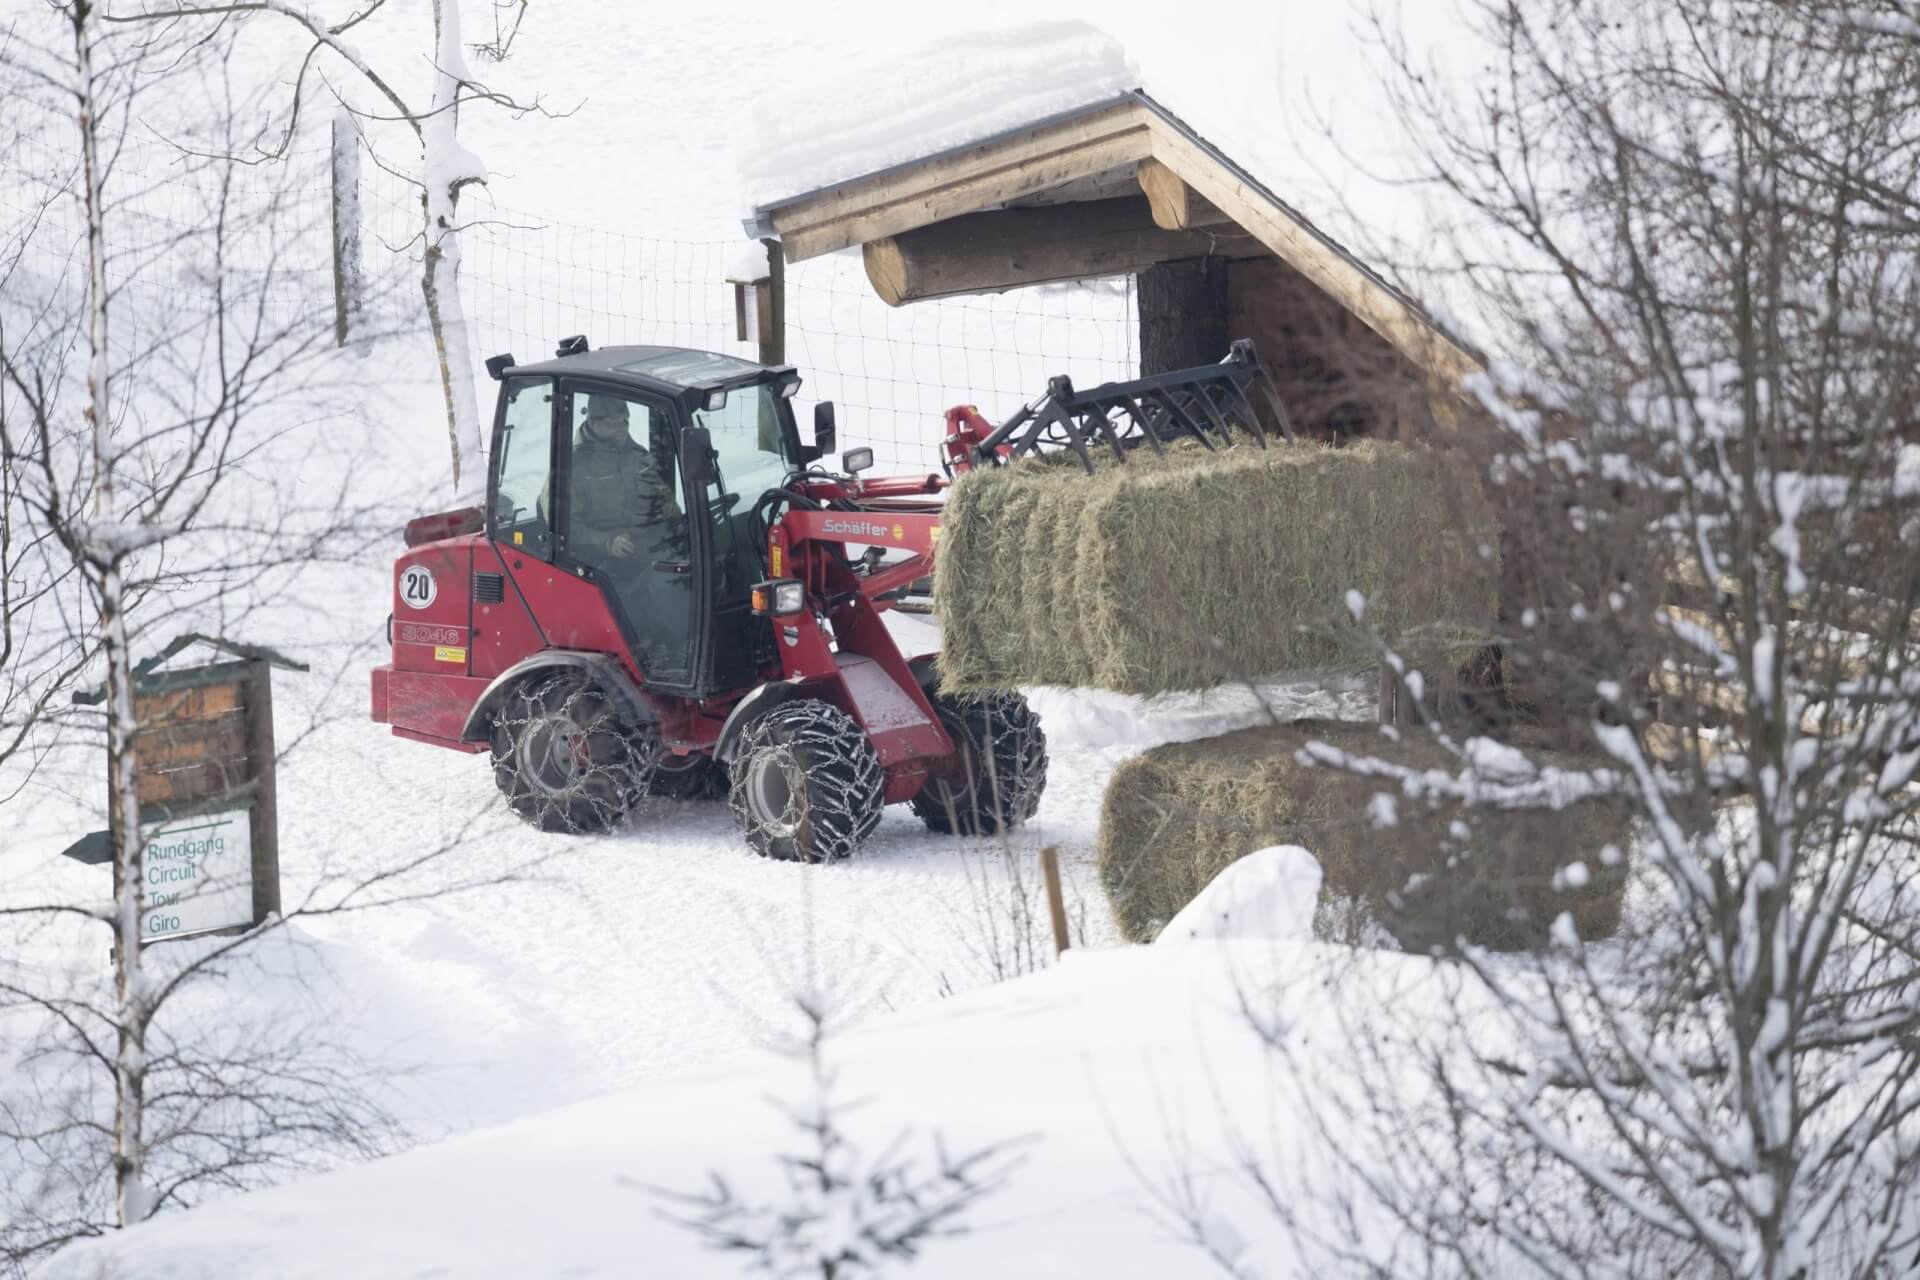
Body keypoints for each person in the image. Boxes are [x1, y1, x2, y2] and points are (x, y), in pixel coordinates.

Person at [567, 394, 685, 563]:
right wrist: (607, 542)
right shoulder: (571, 465)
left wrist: (675, 519)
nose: (621, 428)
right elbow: (565, 528)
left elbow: (663, 498)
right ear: (593, 423)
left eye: (624, 422)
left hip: (644, 548)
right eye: (612, 424)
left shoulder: (638, 456)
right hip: (596, 561)